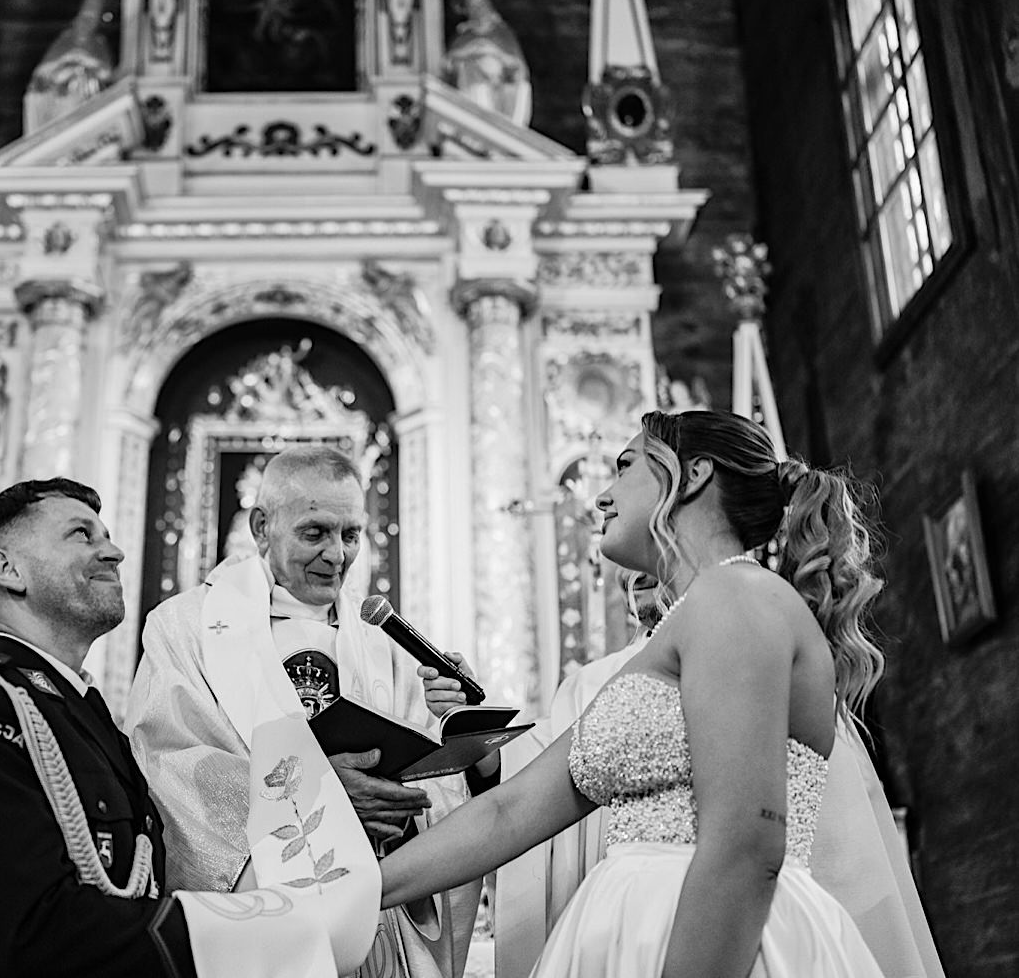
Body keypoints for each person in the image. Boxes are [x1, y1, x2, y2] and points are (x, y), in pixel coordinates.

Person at [382, 408, 908, 976]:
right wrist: (355, 893)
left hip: (710, 940)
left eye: (626, 466)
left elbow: (745, 850)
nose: (602, 496)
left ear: (695, 474)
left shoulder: (738, 597)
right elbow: (506, 815)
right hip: (635, 933)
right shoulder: (678, 633)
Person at [125, 444, 484, 978]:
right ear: (262, 527)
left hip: (378, 913)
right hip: (265, 913)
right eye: (315, 533)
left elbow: (438, 785)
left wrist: (460, 731)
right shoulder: (184, 627)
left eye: (351, 534)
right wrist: (320, 799)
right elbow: (170, 763)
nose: (337, 555)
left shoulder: (384, 639)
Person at [0, 477, 195, 978]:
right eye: (82, 534)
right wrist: (220, 935)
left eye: (106, 536)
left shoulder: (90, 720)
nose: (115, 552)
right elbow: (34, 930)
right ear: (8, 570)